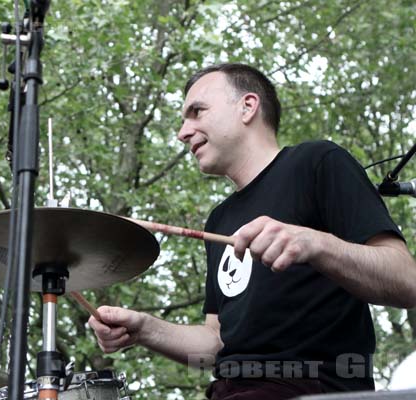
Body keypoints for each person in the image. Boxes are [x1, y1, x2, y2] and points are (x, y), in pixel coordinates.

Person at [88, 63, 416, 400]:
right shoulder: (219, 220)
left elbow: (407, 282)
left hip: (309, 388)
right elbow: (216, 343)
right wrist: (145, 328)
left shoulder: (317, 162)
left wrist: (315, 243)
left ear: (248, 106)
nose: (183, 132)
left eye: (197, 112)